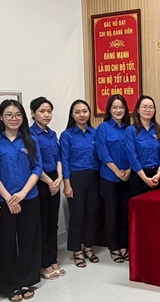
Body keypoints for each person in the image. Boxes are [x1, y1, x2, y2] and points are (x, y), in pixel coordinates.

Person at [0, 100, 42, 302]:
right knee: (5, 243)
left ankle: (27, 280)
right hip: (4, 200)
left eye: (18, 115)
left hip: (29, 197)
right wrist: (8, 198)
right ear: (1, 117)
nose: (14, 119)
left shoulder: (30, 140)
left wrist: (22, 193)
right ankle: (10, 284)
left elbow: (37, 168)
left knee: (29, 240)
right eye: (9, 115)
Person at [60, 99, 101, 268]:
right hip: (75, 178)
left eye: (84, 111)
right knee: (77, 215)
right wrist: (67, 184)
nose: (82, 115)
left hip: (94, 176)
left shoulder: (95, 133)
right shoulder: (67, 135)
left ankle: (88, 248)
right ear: (72, 115)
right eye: (77, 112)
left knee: (91, 214)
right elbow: (64, 160)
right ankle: (76, 250)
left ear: (89, 113)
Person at [30, 97, 64, 281]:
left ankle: (53, 259)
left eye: (49, 111)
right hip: (39, 181)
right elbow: (34, 163)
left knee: (53, 222)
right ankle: (44, 263)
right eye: (42, 111)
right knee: (42, 223)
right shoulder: (30, 134)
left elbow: (58, 157)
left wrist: (59, 178)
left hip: (54, 179)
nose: (46, 115)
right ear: (33, 113)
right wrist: (49, 182)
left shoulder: (52, 134)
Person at [96, 94, 131, 263]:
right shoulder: (103, 128)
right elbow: (102, 152)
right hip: (109, 176)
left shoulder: (130, 129)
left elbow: (134, 152)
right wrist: (117, 171)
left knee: (125, 212)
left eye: (121, 107)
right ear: (109, 110)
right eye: (114, 107)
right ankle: (114, 247)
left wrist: (129, 170)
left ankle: (124, 245)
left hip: (128, 177)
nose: (118, 110)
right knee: (111, 213)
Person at [125, 95, 160, 198]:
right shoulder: (130, 131)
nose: (148, 110)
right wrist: (145, 179)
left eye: (151, 107)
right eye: (144, 107)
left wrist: (159, 173)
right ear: (138, 110)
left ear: (154, 110)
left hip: (156, 176)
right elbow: (132, 157)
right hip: (139, 176)